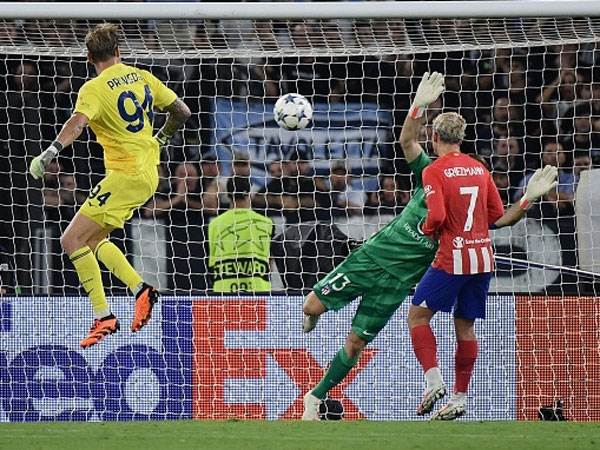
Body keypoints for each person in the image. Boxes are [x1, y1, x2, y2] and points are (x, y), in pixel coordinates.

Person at [300, 71, 558, 421]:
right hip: (372, 257)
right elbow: (407, 141)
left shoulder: (453, 180)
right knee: (311, 306)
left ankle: (315, 397)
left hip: (399, 281)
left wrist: (525, 199)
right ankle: (445, 388)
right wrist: (417, 107)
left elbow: (486, 218)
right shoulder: (432, 170)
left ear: (436, 136)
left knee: (357, 342)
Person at [28, 23, 191, 348]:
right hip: (148, 175)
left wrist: (50, 152)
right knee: (94, 239)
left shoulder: (94, 88)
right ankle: (140, 290)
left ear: (89, 57)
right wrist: (161, 139)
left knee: (71, 239)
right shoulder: (142, 76)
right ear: (118, 51)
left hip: (124, 176)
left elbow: (77, 123)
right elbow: (181, 111)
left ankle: (104, 315)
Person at [406, 75, 558, 421]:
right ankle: (459, 397)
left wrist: (426, 229)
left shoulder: (434, 171)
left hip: (453, 258)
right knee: (465, 327)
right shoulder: (479, 169)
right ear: (461, 139)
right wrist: (527, 199)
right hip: (483, 259)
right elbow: (500, 220)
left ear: (434, 137)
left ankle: (433, 381)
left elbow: (437, 216)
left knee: (417, 316)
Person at [208, 176, 274, 293]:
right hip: (258, 292)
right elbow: (270, 263)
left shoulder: (214, 224)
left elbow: (211, 263)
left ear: (228, 195)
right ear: (249, 193)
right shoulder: (267, 223)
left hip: (223, 292)